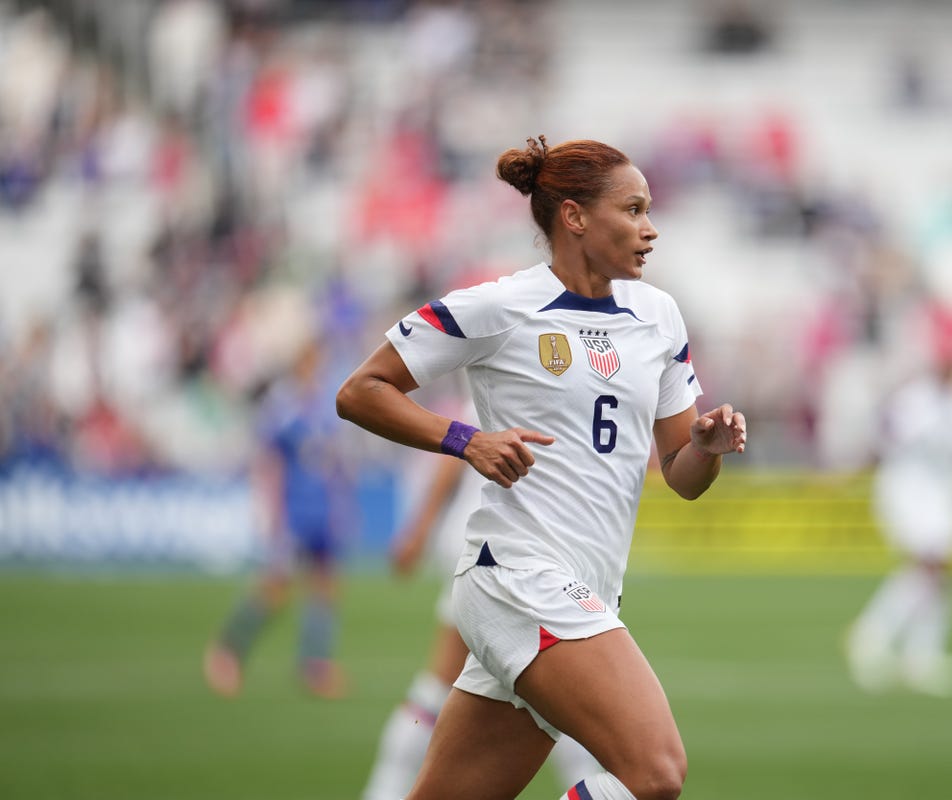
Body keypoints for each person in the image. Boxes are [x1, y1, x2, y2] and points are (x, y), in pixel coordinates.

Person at [336, 135, 747, 800]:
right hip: (520, 576)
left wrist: (705, 445)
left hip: (583, 587)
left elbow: (682, 475)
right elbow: (360, 392)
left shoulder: (659, 317)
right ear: (576, 217)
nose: (650, 229)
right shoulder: (500, 306)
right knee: (656, 773)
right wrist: (466, 439)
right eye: (634, 210)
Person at [362, 396, 601, 800]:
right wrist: (418, 530)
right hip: (502, 549)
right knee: (560, 694)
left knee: (448, 688)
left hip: (491, 543)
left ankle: (382, 792)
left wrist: (419, 531)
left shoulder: (522, 377)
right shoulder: (532, 381)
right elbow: (452, 457)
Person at [204, 337, 354, 699]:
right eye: (310, 361)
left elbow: (333, 463)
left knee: (324, 586)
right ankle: (227, 650)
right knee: (276, 587)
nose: (316, 368)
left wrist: (341, 504)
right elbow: (268, 461)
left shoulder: (324, 405)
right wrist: (270, 511)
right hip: (293, 510)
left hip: (321, 509)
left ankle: (314, 665)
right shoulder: (282, 406)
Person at [844, 348, 952, 698]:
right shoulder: (915, 399)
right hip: (908, 488)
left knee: (940, 571)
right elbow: (885, 438)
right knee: (928, 565)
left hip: (942, 492)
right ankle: (878, 639)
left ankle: (916, 653)